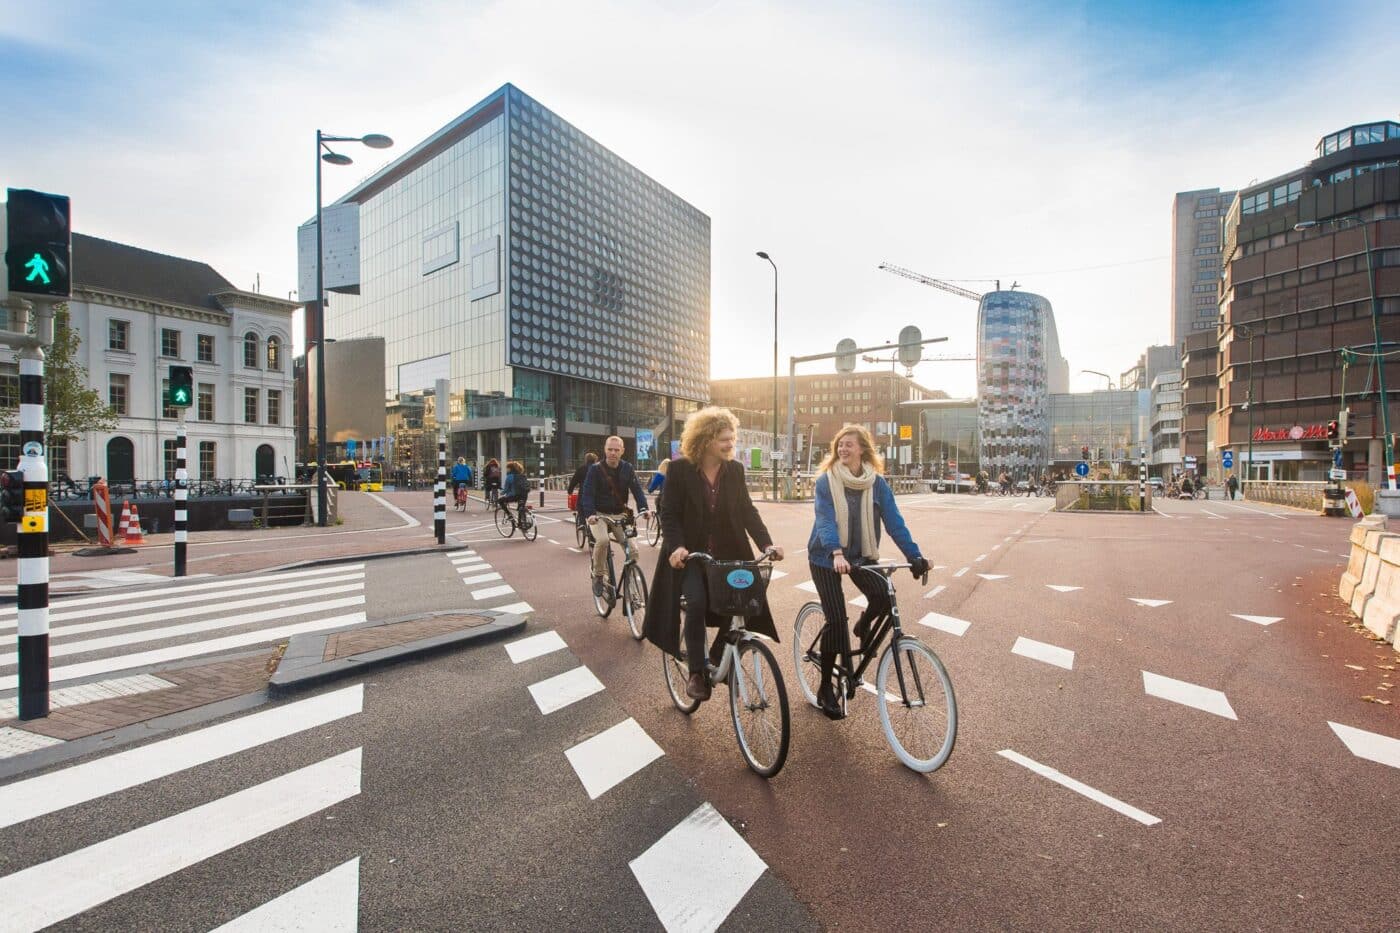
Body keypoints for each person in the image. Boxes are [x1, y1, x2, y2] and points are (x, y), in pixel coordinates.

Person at [643, 407, 783, 702]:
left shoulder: (735, 470)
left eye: (732, 438)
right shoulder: (680, 470)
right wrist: (677, 547)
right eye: (724, 439)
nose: (730, 444)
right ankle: (696, 672)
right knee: (696, 602)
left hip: (728, 553)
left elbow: (747, 511)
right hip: (691, 555)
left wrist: (766, 545)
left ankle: (719, 653)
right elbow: (669, 514)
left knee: (746, 600)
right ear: (705, 440)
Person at [806, 424, 929, 719]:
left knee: (884, 596)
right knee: (836, 620)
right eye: (840, 444)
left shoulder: (877, 484)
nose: (843, 449)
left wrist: (914, 556)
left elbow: (894, 522)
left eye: (849, 444)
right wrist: (836, 552)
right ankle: (825, 688)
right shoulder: (826, 481)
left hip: (860, 555)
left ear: (862, 449)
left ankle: (863, 625)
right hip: (825, 556)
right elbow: (825, 520)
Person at [579, 436, 650, 597]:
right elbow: (587, 494)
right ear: (605, 450)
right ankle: (598, 575)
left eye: (616, 450)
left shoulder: (628, 468)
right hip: (599, 515)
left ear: (622, 451)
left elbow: (637, 491)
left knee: (632, 550)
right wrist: (590, 514)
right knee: (603, 540)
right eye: (610, 449)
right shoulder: (595, 469)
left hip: (619, 514)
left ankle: (631, 581)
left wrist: (644, 508)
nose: (613, 453)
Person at [496, 460, 530, 525]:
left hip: (515, 495)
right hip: (524, 495)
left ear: (510, 468)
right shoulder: (523, 475)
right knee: (521, 508)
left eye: (507, 468)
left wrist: (501, 493)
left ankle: (509, 515)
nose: (507, 470)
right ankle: (523, 524)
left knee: (500, 501)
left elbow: (506, 489)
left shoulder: (509, 476)